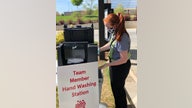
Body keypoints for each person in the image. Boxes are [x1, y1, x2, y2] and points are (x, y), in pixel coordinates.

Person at [98, 13, 131, 108]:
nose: (107, 29)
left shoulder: (122, 37)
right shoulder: (116, 33)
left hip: (120, 67)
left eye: (108, 27)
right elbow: (110, 44)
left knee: (118, 91)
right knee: (116, 90)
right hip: (115, 65)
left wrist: (107, 65)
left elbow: (123, 59)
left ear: (115, 25)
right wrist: (99, 49)